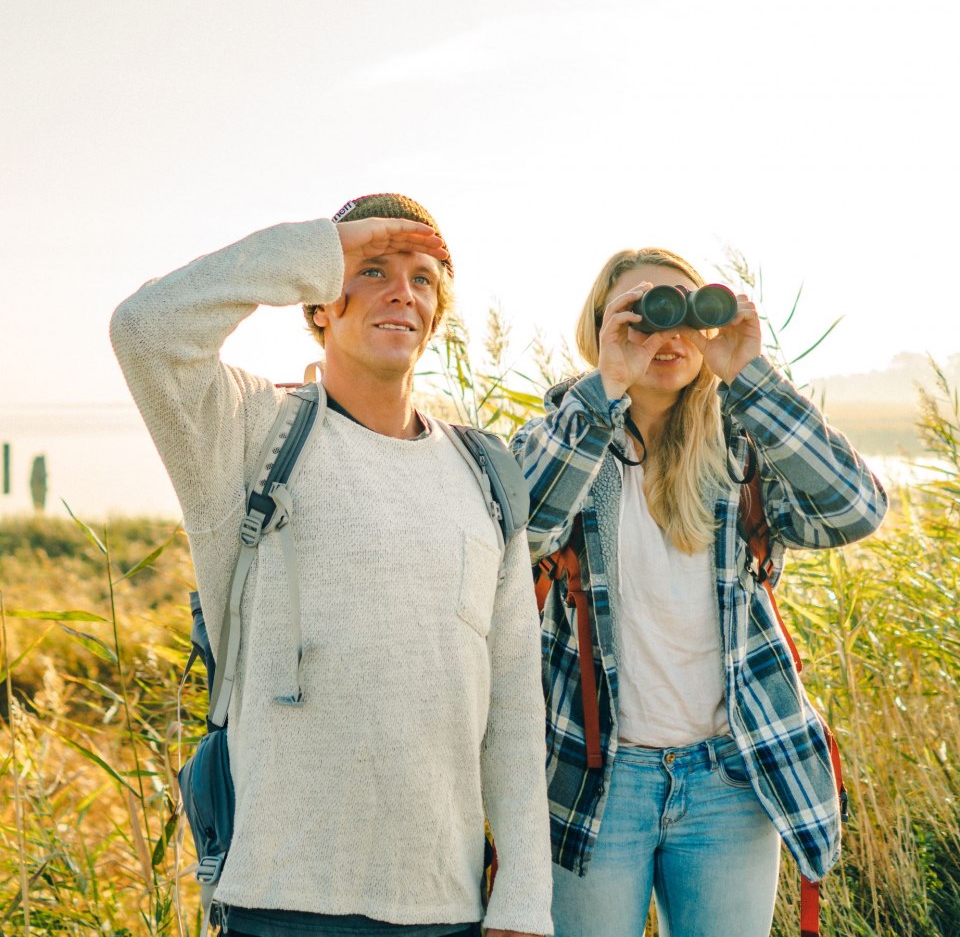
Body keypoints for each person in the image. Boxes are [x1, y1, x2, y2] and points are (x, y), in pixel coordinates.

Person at [110, 194, 553, 937]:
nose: (398, 292)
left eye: (420, 277)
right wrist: (321, 246)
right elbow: (145, 330)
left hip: (445, 907)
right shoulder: (251, 430)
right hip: (282, 899)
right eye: (370, 269)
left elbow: (511, 702)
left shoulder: (486, 470)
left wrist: (524, 902)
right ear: (318, 303)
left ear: (436, 312)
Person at [511, 247, 887, 937]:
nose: (668, 333)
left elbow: (856, 507)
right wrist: (608, 386)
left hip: (729, 778)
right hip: (598, 776)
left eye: (686, 311)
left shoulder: (742, 452)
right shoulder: (562, 436)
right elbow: (516, 531)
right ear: (600, 329)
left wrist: (749, 374)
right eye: (643, 312)